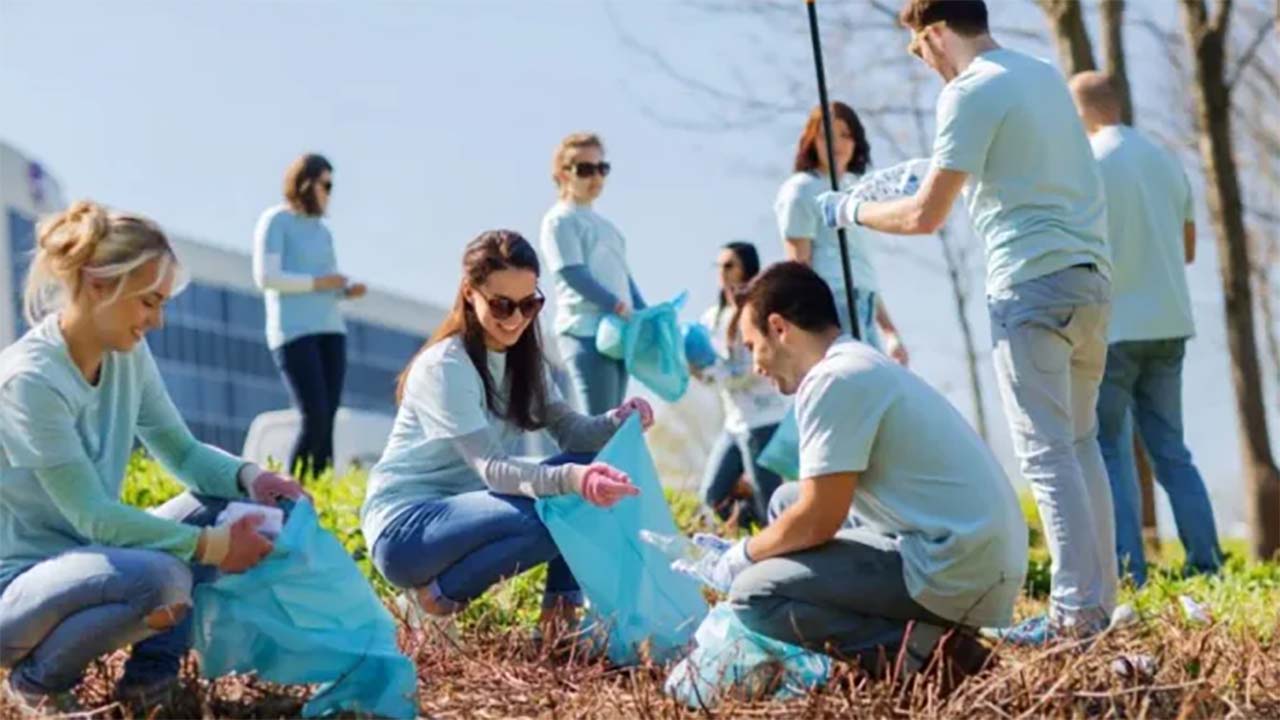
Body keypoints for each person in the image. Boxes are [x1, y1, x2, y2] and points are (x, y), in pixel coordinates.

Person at [818, 0, 1115, 645]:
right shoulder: (1038, 74)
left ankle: (1073, 617)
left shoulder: (968, 91)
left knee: (1046, 451)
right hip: (1090, 279)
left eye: (917, 48)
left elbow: (926, 217)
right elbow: (1009, 167)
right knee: (1082, 442)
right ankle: (1098, 607)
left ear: (934, 34)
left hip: (1030, 284)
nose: (920, 62)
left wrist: (850, 212)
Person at [0, 201, 307, 714]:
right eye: (148, 302)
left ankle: (149, 685)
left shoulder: (127, 355)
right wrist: (211, 546)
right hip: (18, 591)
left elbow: (182, 452)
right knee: (163, 577)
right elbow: (93, 516)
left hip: (97, 559)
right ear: (98, 285)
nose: (157, 321)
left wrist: (252, 478)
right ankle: (37, 683)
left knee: (248, 509)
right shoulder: (30, 382)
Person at [695, 262, 1025, 681]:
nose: (755, 365)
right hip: (971, 551)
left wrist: (742, 556)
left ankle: (931, 655)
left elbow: (819, 519)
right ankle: (904, 635)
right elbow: (811, 506)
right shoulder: (855, 363)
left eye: (751, 344)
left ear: (779, 328)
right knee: (784, 501)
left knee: (755, 596)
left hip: (956, 568)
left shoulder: (834, 380)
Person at [361, 230, 652, 635]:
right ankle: (432, 600)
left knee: (583, 476)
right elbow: (494, 469)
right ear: (469, 293)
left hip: (470, 514)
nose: (516, 319)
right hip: (406, 531)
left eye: (529, 304)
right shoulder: (446, 366)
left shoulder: (525, 362)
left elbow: (572, 435)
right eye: (501, 305)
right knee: (563, 503)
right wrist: (572, 481)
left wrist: (615, 421)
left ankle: (559, 622)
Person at [1068, 71, 1222, 586]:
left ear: (1083, 109)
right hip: (1170, 323)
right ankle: (1208, 565)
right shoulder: (1165, 160)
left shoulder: (1087, 164)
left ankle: (1130, 573)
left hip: (1113, 326)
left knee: (1110, 449)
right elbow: (1189, 249)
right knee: (1171, 450)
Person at [252, 153, 367, 477]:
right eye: (326, 184)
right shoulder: (276, 221)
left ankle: (321, 493)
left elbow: (326, 281)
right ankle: (293, 491)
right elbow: (267, 277)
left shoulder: (323, 232)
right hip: (293, 332)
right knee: (313, 414)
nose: (329, 193)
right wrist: (320, 283)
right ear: (306, 183)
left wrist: (344, 290)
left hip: (331, 329)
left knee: (328, 416)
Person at [774, 102, 908, 362]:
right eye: (826, 135)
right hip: (831, 305)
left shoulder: (856, 192)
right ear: (812, 140)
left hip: (864, 305)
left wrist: (889, 330)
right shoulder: (801, 190)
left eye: (845, 135)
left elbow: (862, 269)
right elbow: (799, 266)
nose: (837, 144)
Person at [539, 132, 648, 414]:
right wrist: (615, 304)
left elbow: (624, 278)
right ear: (563, 174)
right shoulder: (560, 220)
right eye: (585, 169)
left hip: (617, 332)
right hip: (583, 330)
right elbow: (572, 273)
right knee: (597, 422)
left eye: (602, 168)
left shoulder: (608, 227)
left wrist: (644, 312)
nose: (595, 177)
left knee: (612, 421)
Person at [695, 242, 789, 528]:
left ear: (746, 269)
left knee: (770, 501)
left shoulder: (759, 311)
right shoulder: (712, 317)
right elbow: (709, 363)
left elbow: (754, 367)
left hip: (763, 419)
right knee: (712, 496)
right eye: (719, 266)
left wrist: (714, 374)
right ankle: (752, 527)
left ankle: (781, 549)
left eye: (729, 266)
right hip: (733, 423)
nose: (722, 273)